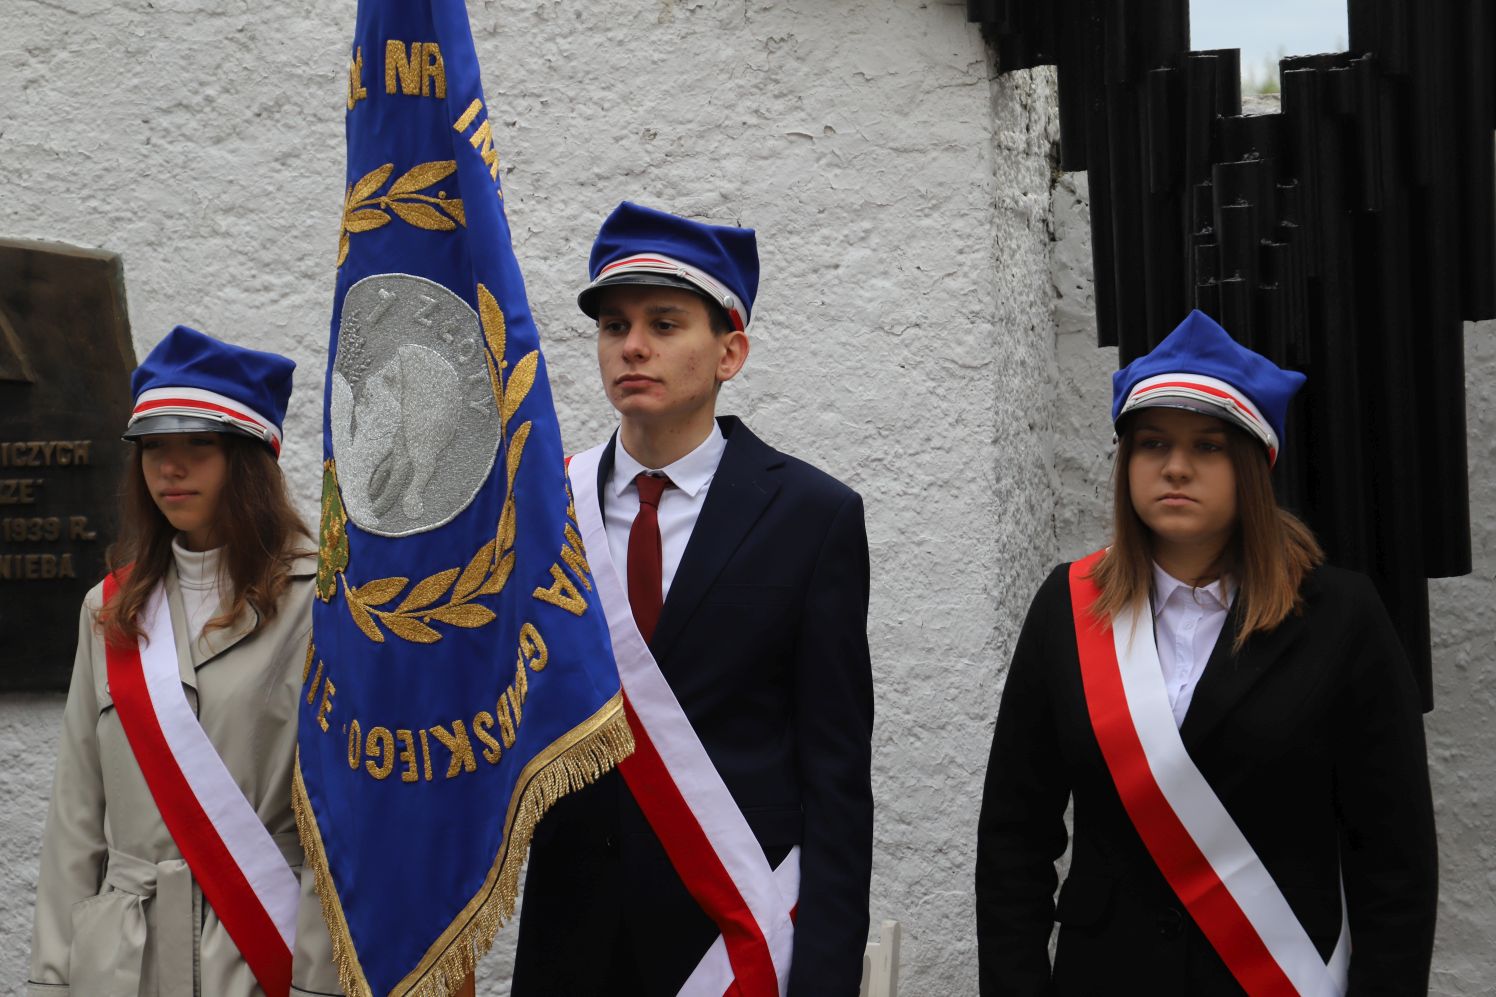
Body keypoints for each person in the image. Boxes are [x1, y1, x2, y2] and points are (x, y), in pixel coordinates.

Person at [974, 310, 1439, 995]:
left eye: (1210, 445)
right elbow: (1015, 840)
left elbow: (1395, 862)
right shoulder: (1066, 609)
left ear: (1253, 465)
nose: (1176, 467)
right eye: (1152, 442)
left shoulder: (1342, 616)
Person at [511, 201, 875, 996]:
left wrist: (825, 973)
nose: (632, 346)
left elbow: (837, 776)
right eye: (614, 325)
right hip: (569, 940)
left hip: (730, 937)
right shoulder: (540, 508)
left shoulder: (813, 517)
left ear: (730, 352)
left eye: (665, 323)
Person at [27, 326, 341, 997]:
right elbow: (76, 817)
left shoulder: (318, 603)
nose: (171, 468)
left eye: (198, 445)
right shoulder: (107, 611)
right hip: (123, 967)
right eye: (155, 448)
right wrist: (52, 978)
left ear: (249, 458)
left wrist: (318, 982)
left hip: (261, 953)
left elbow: (332, 820)